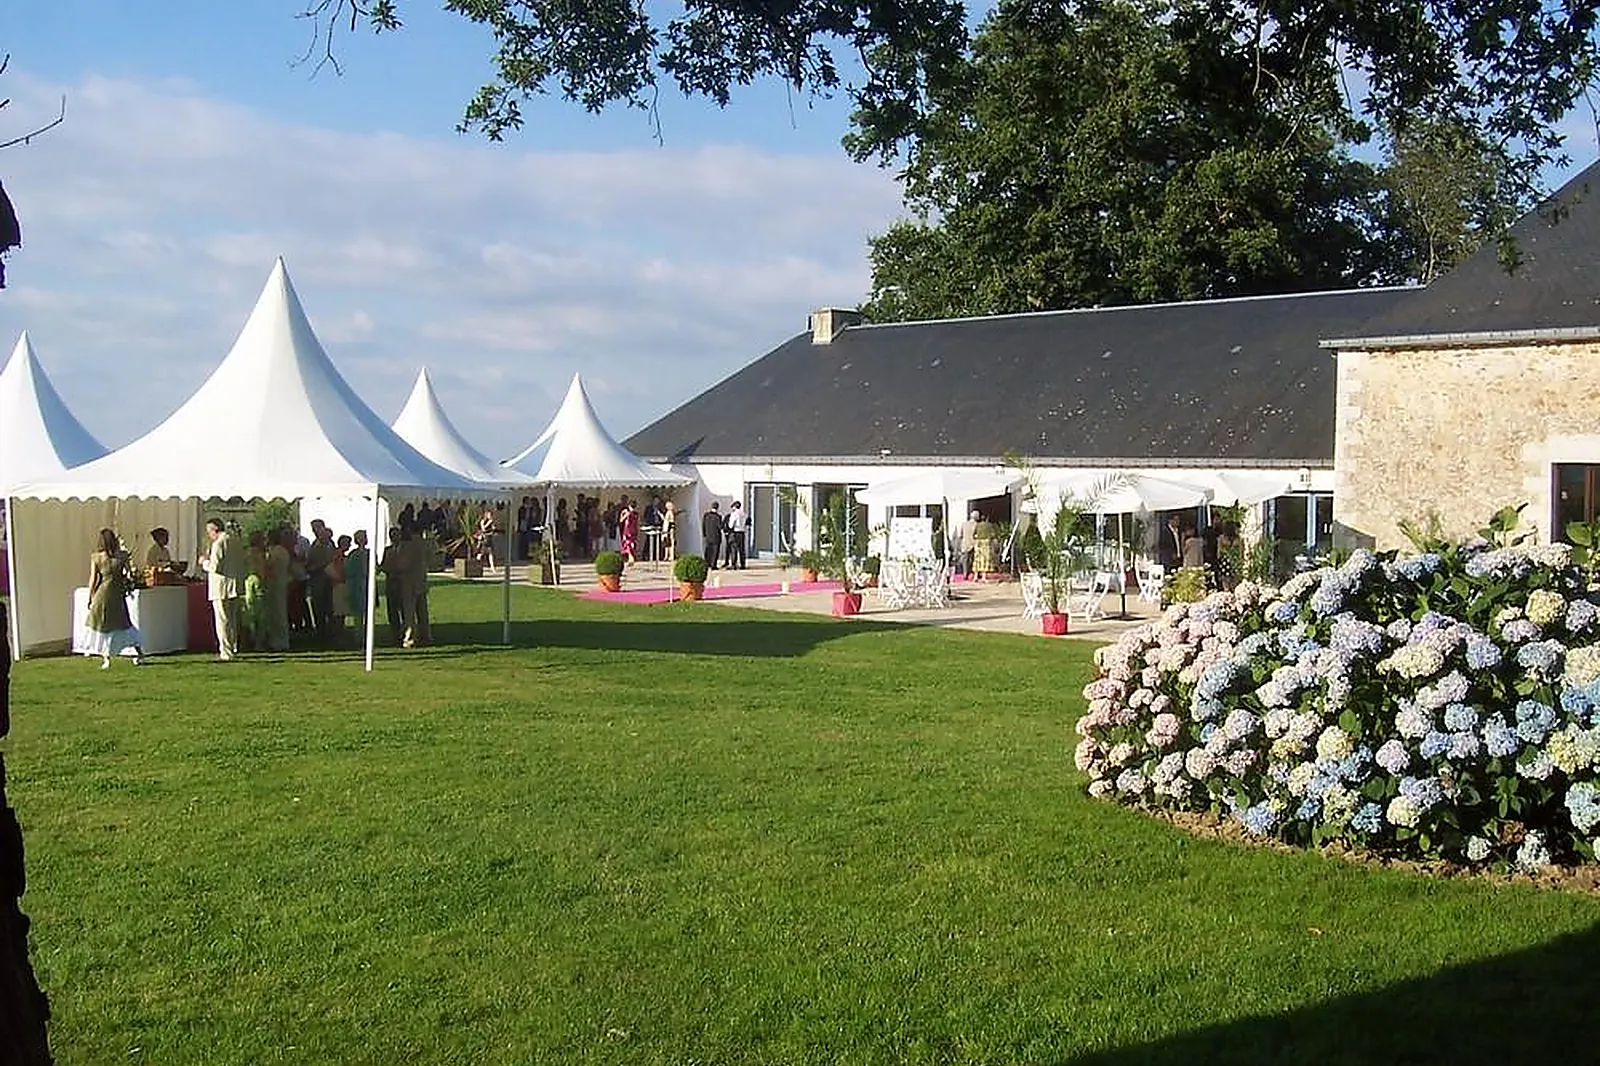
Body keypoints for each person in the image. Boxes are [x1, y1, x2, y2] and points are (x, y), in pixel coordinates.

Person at [84, 528, 143, 669]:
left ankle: (107, 658)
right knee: (124, 623)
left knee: (104, 626)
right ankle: (139, 653)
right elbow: (129, 573)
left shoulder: (96, 557)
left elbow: (93, 580)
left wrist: (90, 597)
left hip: (103, 594)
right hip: (117, 593)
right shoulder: (122, 556)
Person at [200, 516, 247, 661]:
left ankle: (226, 652)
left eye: (209, 531)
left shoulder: (219, 543)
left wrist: (204, 563)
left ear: (214, 530)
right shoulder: (236, 541)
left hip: (221, 586)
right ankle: (233, 647)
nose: (209, 535)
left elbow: (215, 567)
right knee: (232, 620)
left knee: (222, 620)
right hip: (234, 584)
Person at [305, 519, 336, 639]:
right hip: (317, 581)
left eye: (317, 528)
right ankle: (321, 632)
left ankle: (331, 632)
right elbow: (310, 563)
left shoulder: (329, 544)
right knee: (318, 608)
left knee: (329, 608)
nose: (315, 531)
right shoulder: (314, 545)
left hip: (328, 580)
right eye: (313, 529)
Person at [263, 528, 292, 652]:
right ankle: (279, 640)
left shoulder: (277, 551)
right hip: (280, 581)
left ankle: (280, 641)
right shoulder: (282, 550)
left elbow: (269, 566)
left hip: (276, 582)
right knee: (278, 611)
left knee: (278, 612)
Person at [346, 528, 371, 630]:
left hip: (367, 585)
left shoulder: (370, 553)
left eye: (364, 537)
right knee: (358, 614)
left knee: (369, 612)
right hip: (357, 586)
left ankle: (367, 633)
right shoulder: (353, 554)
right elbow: (349, 571)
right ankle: (359, 635)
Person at [724, 500, 747, 569]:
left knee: (734, 549)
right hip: (742, 533)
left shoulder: (734, 514)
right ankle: (743, 564)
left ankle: (734, 564)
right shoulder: (744, 514)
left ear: (734, 507)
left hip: (735, 532)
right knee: (742, 549)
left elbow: (731, 525)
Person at [702, 501, 723, 570]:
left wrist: (704, 534)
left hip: (708, 536)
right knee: (715, 551)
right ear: (717, 508)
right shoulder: (718, 516)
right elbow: (720, 527)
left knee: (708, 550)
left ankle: (706, 563)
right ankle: (713, 565)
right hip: (716, 537)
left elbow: (703, 525)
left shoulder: (706, 515)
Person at [958, 510, 980, 576]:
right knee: (974, 559)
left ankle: (965, 573)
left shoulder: (964, 524)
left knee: (965, 560)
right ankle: (973, 573)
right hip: (974, 544)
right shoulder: (976, 525)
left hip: (965, 543)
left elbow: (961, 535)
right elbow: (977, 535)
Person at [618, 496, 638, 565]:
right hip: (630, 530)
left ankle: (631, 557)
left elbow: (621, 520)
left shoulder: (632, 513)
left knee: (629, 544)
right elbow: (621, 520)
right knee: (629, 543)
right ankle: (630, 558)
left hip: (630, 530)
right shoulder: (631, 512)